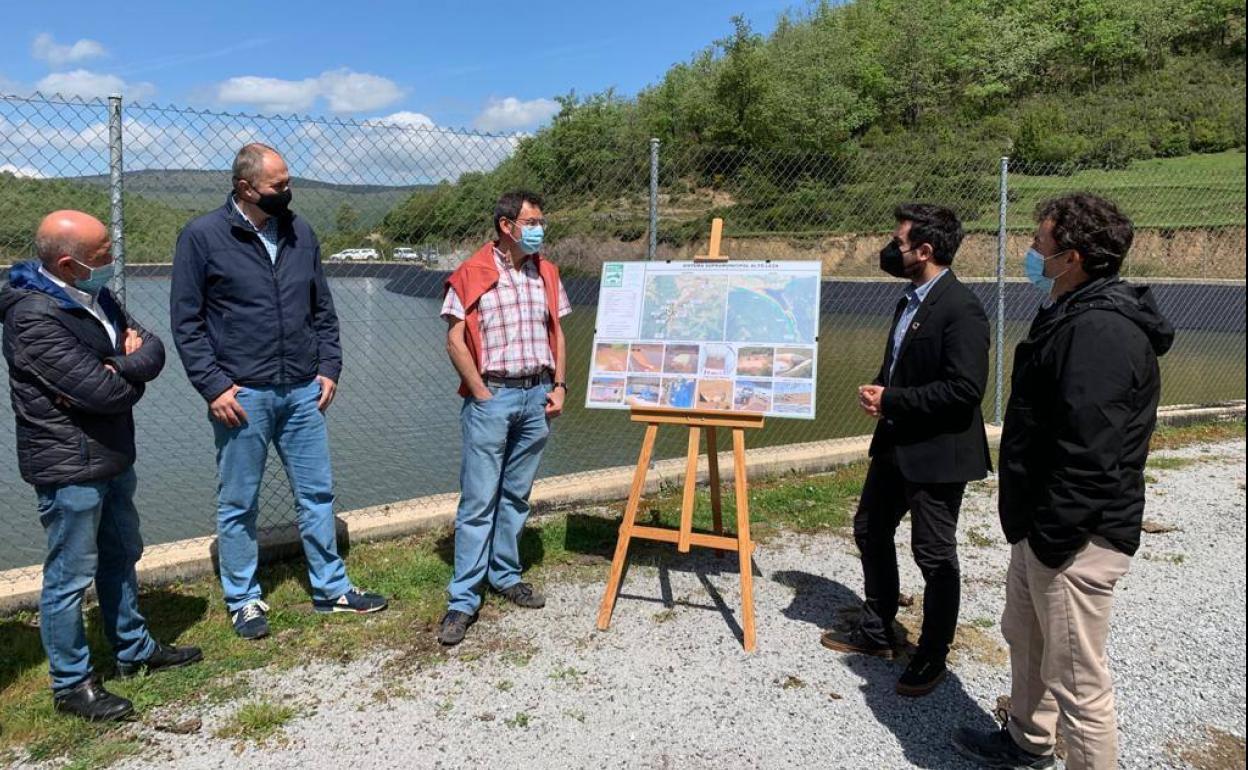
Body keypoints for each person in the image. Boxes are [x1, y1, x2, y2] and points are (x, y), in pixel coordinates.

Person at [953, 194, 1173, 769]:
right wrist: (1030, 529)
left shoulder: (1101, 331)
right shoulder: (1068, 310)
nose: (1030, 250)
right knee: (1028, 640)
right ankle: (1028, 740)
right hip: (1042, 524)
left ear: (1070, 256)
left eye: (1038, 241)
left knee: (1078, 678)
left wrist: (1052, 539)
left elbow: (1091, 455)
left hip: (1077, 538)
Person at [170, 143, 385, 640]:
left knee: (317, 493)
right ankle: (244, 600)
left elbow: (323, 309)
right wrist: (213, 385)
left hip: (303, 391)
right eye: (278, 186)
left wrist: (329, 367)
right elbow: (187, 321)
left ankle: (331, 589)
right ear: (246, 188)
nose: (288, 192)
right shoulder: (202, 237)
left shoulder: (298, 231)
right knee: (238, 501)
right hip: (241, 395)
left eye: (288, 183)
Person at [1, 211, 202, 721]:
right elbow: (103, 391)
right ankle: (72, 685)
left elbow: (152, 348)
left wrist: (123, 365)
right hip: (69, 465)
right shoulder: (33, 316)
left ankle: (133, 649)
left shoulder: (95, 297)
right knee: (69, 576)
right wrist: (122, 370)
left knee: (122, 552)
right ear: (68, 264)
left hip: (112, 454)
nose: (114, 260)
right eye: (104, 254)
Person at [821, 202, 991, 697]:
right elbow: (901, 365)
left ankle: (932, 656)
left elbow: (964, 390)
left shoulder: (962, 308)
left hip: (939, 451)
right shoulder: (910, 300)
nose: (891, 250)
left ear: (925, 250)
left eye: (898, 244)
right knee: (870, 528)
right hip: (897, 440)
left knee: (934, 555)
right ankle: (877, 630)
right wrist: (881, 388)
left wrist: (893, 398)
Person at [436, 190, 571, 646]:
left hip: (537, 396)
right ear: (506, 225)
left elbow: (558, 332)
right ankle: (463, 599)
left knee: (516, 495)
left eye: (541, 220)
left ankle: (505, 575)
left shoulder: (546, 273)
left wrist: (559, 385)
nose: (539, 228)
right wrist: (479, 391)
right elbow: (455, 339)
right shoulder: (473, 272)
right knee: (478, 500)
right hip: (493, 397)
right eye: (531, 221)